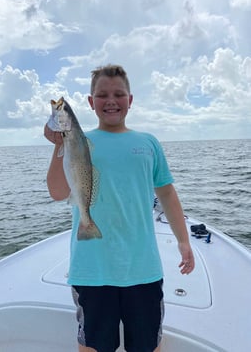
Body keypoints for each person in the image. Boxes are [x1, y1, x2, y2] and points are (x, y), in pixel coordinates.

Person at [44, 64, 195, 352]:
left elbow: (167, 193)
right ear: (90, 102)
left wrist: (183, 240)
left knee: (148, 344)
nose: (110, 100)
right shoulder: (80, 140)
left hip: (143, 268)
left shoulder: (148, 143)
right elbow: (58, 191)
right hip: (92, 268)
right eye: (102, 95)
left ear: (130, 100)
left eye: (118, 94)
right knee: (94, 345)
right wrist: (59, 144)